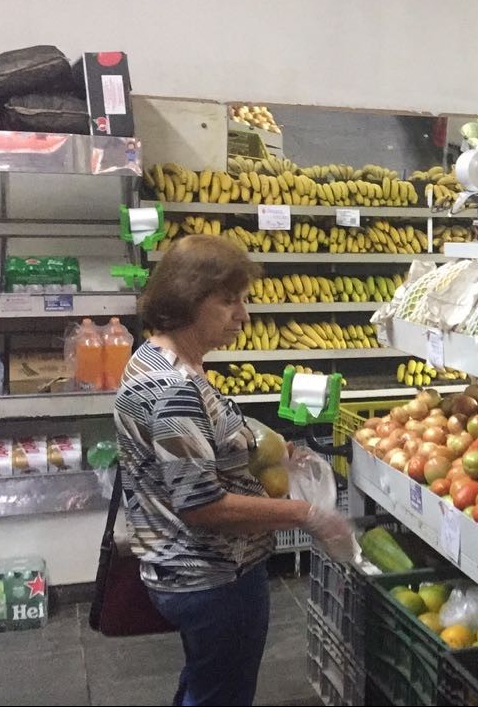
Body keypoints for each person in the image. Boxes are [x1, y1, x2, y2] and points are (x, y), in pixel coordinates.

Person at [114, 235, 353, 706]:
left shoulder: (160, 358)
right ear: (185, 300)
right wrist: (307, 515)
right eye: (229, 302)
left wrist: (267, 453)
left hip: (187, 569)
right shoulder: (173, 388)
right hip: (212, 577)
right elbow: (203, 505)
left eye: (242, 300)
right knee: (222, 692)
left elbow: (194, 453)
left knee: (206, 679)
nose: (243, 316)